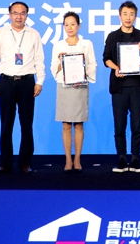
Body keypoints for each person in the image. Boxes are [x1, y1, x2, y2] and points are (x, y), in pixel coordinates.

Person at [0, 1, 46, 174]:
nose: (19, 16)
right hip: (6, 81)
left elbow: (39, 59)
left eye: (22, 13)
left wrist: (40, 81)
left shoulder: (33, 34)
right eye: (15, 13)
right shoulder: (0, 33)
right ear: (9, 15)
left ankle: (25, 163)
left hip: (27, 82)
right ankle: (5, 163)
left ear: (27, 15)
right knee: (6, 124)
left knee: (26, 124)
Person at [102, 1, 140, 173]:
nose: (128, 17)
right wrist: (116, 68)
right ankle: (122, 159)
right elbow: (106, 58)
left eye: (131, 14)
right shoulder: (113, 36)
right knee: (119, 125)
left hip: (138, 86)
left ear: (135, 16)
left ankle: (136, 159)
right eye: (125, 14)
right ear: (119, 16)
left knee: (137, 125)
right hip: (119, 87)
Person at [50, 11, 97, 172]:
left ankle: (77, 159)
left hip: (80, 87)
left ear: (79, 25)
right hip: (64, 87)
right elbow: (53, 68)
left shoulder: (86, 44)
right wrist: (60, 61)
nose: (69, 28)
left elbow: (92, 64)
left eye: (73, 24)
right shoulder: (58, 45)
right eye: (66, 25)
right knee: (65, 125)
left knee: (78, 124)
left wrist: (83, 77)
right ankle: (68, 160)